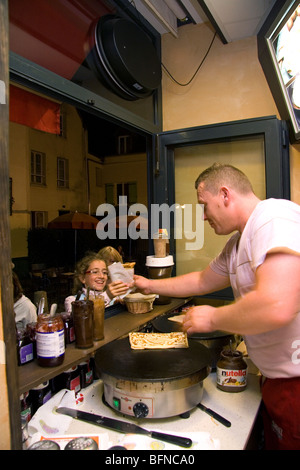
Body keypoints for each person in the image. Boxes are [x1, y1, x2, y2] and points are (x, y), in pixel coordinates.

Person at [133, 163, 300, 450]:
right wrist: (149, 286)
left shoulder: (274, 218)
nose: (203, 216)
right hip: (275, 382)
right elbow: (200, 280)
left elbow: (278, 304)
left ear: (225, 194)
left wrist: (212, 318)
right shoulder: (236, 244)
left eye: (204, 205)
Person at [64, 252, 129, 312]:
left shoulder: (114, 299)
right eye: (95, 272)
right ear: (82, 278)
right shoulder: (72, 300)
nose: (101, 276)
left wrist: (118, 306)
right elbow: (82, 317)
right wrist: (107, 296)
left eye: (104, 272)